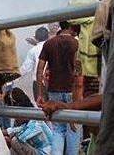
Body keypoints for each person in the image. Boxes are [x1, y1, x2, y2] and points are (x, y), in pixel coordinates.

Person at [42, 0, 114, 155]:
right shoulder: (74, 44)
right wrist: (69, 105)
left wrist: (66, 104)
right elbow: (107, 95)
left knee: (62, 131)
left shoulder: (51, 44)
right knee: (73, 131)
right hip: (74, 90)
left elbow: (42, 71)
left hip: (63, 89)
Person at [36, 20, 81, 155]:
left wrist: (40, 94)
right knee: (73, 128)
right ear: (72, 27)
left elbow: (39, 70)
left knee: (58, 129)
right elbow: (78, 72)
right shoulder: (76, 44)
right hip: (71, 91)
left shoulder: (49, 44)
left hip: (54, 91)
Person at [3, 88, 53, 155]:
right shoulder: (26, 117)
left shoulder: (35, 120)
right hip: (37, 150)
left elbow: (20, 136)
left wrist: (8, 138)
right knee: (13, 149)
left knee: (15, 142)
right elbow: (18, 129)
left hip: (46, 153)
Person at [19, 27, 49, 102]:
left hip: (38, 84)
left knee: (41, 107)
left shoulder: (33, 51)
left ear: (36, 37)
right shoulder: (52, 46)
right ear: (48, 36)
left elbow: (25, 69)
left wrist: (12, 79)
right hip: (51, 81)